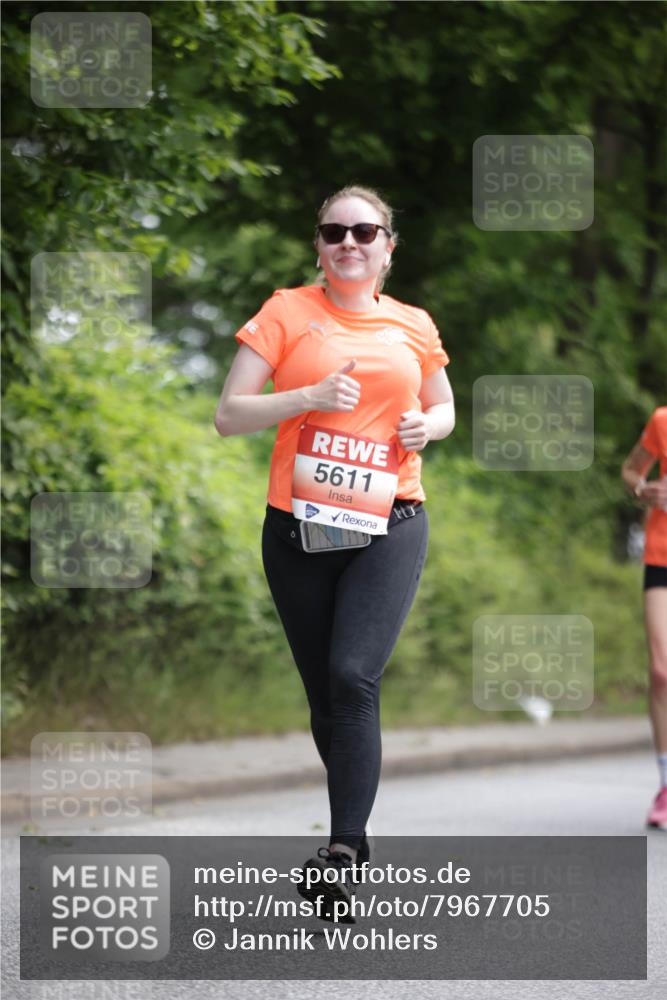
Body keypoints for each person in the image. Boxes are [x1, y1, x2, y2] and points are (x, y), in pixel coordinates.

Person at [215, 184, 455, 919]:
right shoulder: (286, 311)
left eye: (364, 231)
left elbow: (443, 405)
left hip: (390, 521)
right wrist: (306, 397)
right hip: (300, 527)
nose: (348, 241)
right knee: (326, 694)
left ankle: (342, 850)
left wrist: (428, 428)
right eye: (333, 231)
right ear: (318, 247)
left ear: (388, 248)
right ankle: (353, 827)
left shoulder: (413, 323)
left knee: (353, 677)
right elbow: (229, 415)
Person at [621, 406, 667, 830]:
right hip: (661, 556)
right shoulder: (662, 421)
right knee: (660, 672)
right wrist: (644, 489)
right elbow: (631, 470)